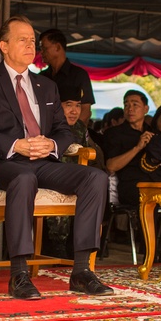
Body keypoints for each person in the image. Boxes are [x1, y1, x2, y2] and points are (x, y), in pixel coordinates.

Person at [0, 15, 112, 300]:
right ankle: (19, 275)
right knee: (24, 176)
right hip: (5, 163)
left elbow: (64, 131)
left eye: (33, 40)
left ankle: (81, 271)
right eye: (22, 40)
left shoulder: (46, 85)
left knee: (96, 176)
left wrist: (51, 144)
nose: (31, 45)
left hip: (44, 161)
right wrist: (15, 145)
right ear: (4, 46)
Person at [43, 85, 106, 258]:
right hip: (51, 178)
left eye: (78, 105)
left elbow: (93, 155)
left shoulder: (79, 127)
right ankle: (55, 250)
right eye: (68, 104)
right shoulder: (46, 125)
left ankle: (84, 251)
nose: (74, 111)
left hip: (77, 180)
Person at [104, 91, 161, 209]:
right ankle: (148, 228)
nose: (130, 109)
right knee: (150, 202)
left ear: (146, 109)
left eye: (135, 105)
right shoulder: (115, 133)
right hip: (133, 186)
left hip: (158, 183)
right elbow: (111, 166)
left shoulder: (153, 132)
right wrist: (137, 147)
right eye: (126, 105)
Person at [38, 29, 96, 124]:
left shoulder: (79, 75)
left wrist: (71, 134)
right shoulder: (41, 77)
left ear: (57, 47)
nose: (41, 52)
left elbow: (85, 111)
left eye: (44, 48)